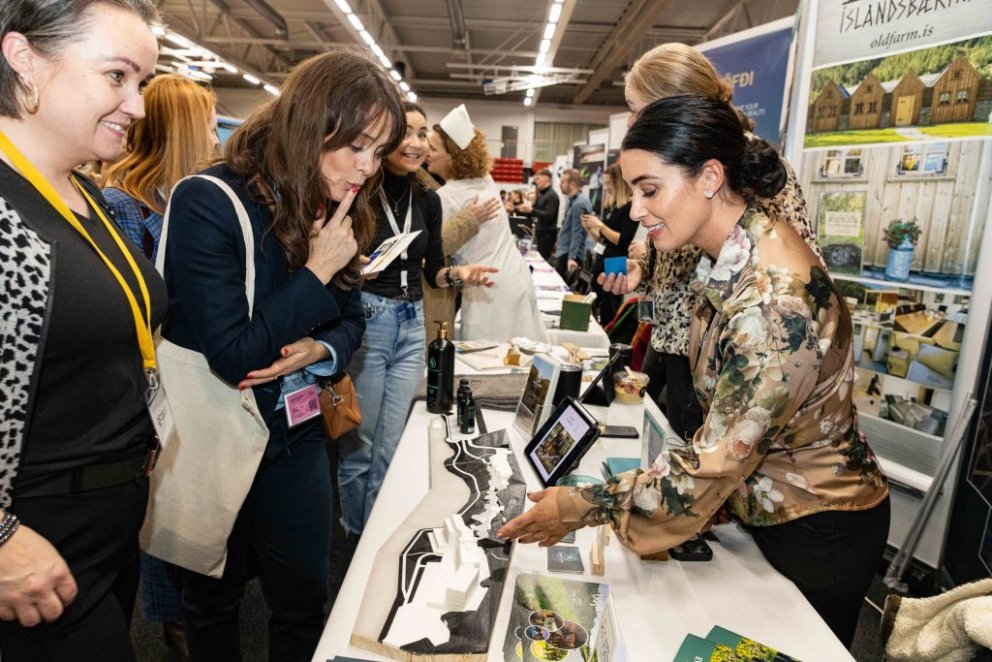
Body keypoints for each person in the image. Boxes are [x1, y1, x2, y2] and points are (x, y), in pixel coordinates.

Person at [498, 95, 890, 650]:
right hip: (769, 508)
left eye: (649, 190)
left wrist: (580, 506)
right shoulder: (732, 252)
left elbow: (711, 466)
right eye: (633, 191)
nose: (636, 211)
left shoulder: (772, 303)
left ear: (709, 177)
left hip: (817, 529)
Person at [161, 49, 404, 661]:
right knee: (212, 603)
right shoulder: (209, 199)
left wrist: (320, 349)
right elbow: (234, 355)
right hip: (218, 432)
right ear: (311, 125)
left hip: (297, 436)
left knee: (303, 602)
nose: (367, 167)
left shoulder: (337, 204)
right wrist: (317, 271)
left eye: (379, 152)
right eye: (357, 146)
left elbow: (352, 320)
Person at [0, 1, 163, 660]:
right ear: (23, 59)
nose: (138, 105)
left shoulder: (85, 193)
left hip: (105, 531)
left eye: (142, 82)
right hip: (32, 545)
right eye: (116, 75)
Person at [623, 42, 823, 440]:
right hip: (680, 338)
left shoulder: (745, 161)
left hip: (729, 351)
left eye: (636, 109)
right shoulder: (674, 161)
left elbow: (801, 270)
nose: (631, 122)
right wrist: (644, 266)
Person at [101, 72, 219, 660]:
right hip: (152, 383)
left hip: (188, 375)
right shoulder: (123, 204)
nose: (216, 138)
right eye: (208, 125)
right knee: (159, 509)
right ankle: (172, 624)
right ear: (183, 130)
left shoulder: (188, 200)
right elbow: (134, 310)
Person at [337, 102, 497, 535]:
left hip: (413, 324)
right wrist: (349, 265)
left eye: (423, 133)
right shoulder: (357, 194)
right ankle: (353, 534)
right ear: (384, 139)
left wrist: (459, 275)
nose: (415, 142)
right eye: (406, 132)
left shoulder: (428, 199)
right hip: (368, 322)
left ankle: (377, 536)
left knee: (392, 445)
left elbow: (434, 271)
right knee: (361, 445)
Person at [428, 104, 546, 342]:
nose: (426, 153)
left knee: (487, 356)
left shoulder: (445, 197)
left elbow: (433, 249)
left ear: (452, 155)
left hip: (486, 284)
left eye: (432, 148)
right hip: (515, 276)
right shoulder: (486, 180)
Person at [580, 162, 635, 325]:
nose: (607, 187)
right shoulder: (613, 207)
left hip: (617, 261)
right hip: (603, 257)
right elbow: (603, 239)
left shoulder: (630, 208)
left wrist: (600, 225)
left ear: (619, 183)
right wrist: (590, 228)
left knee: (609, 306)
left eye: (609, 183)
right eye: (605, 183)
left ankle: (607, 335)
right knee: (595, 300)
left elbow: (623, 240)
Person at [553, 168, 592, 282]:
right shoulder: (573, 200)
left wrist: (572, 258)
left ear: (572, 184)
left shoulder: (579, 203)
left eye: (563, 182)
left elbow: (577, 233)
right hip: (565, 250)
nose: (560, 185)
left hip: (569, 255)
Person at [516, 168, 559, 260]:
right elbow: (533, 213)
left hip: (547, 234)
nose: (536, 182)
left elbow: (548, 216)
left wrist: (531, 210)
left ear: (547, 178)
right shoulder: (541, 195)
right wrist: (521, 209)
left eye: (538, 179)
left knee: (542, 260)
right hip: (540, 233)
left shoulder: (551, 195)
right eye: (535, 179)